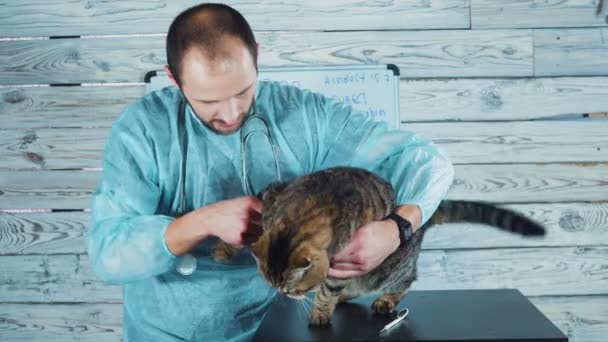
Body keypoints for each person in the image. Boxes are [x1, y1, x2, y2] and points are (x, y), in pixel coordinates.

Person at [87, 3, 454, 341]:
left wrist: (398, 228)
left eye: (243, 91)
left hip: (277, 326)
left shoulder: (306, 116)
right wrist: (202, 222)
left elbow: (426, 160)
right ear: (173, 78)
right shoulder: (142, 130)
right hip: (164, 333)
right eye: (208, 102)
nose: (231, 114)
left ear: (257, 56)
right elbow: (107, 253)